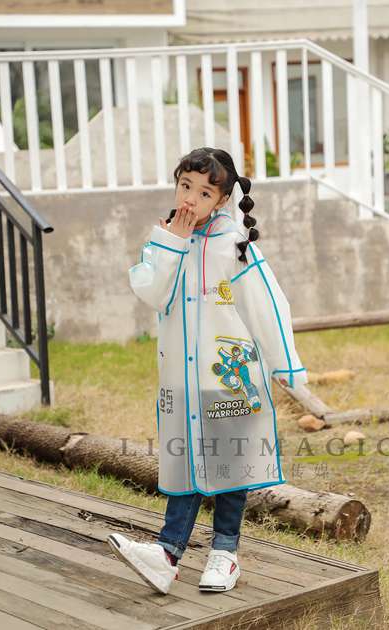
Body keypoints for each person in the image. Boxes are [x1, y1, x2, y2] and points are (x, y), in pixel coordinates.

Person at [107, 147, 308, 595]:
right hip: (182, 383)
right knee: (186, 465)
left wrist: (286, 363)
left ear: (221, 200)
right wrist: (173, 244)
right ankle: (166, 556)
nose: (191, 199)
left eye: (204, 193)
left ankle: (224, 553)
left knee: (231, 466)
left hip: (230, 379)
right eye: (185, 186)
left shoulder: (234, 245)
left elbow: (267, 305)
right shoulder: (162, 241)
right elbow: (153, 294)